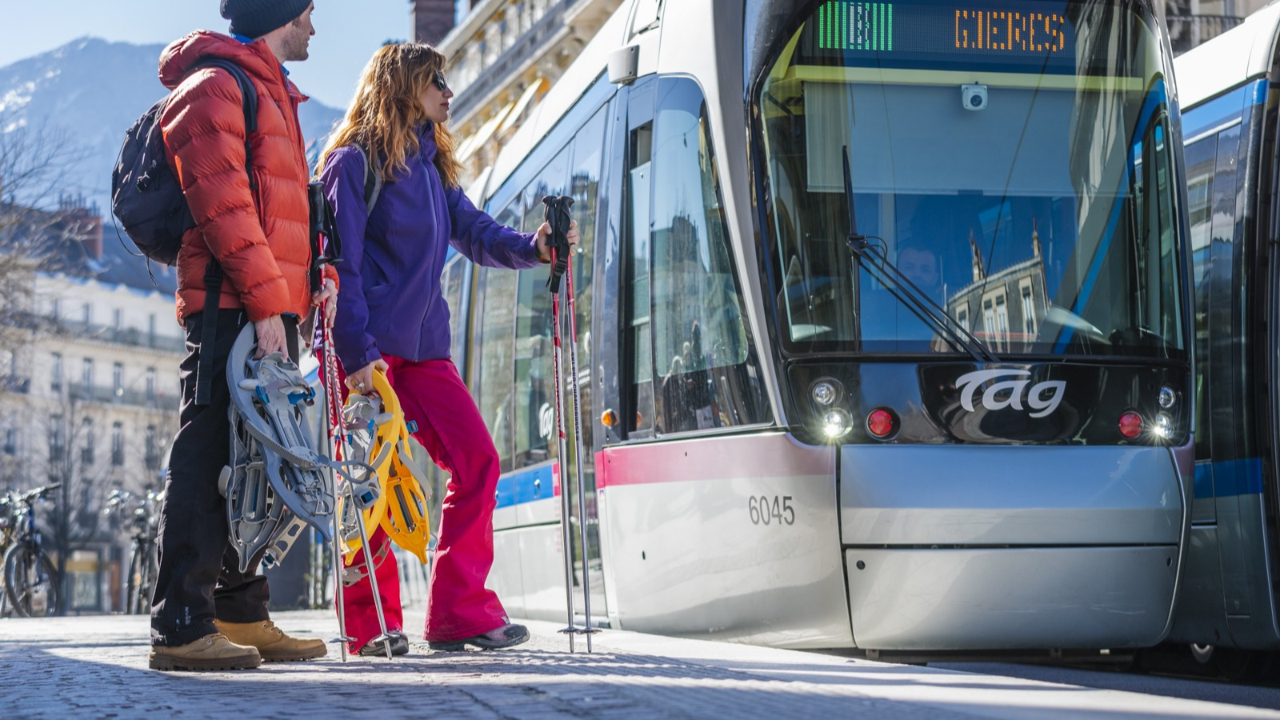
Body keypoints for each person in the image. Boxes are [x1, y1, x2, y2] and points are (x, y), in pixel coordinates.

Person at [317, 42, 578, 656]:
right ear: (403, 85)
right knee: (369, 485)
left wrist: (533, 247)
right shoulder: (351, 165)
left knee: (478, 462)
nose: (449, 91)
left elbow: (475, 231)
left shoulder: (431, 168)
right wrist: (354, 355)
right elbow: (341, 269)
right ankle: (370, 624)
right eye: (436, 79)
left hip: (425, 352)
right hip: (367, 353)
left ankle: (458, 613)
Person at [148, 0, 338, 672]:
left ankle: (239, 610)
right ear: (279, 12)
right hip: (231, 306)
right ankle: (180, 625)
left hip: (267, 307)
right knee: (207, 458)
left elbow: (280, 207)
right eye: (308, 12)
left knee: (258, 466)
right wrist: (264, 302)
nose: (314, 27)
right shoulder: (213, 85)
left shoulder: (267, 90)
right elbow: (222, 202)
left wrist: (312, 288)